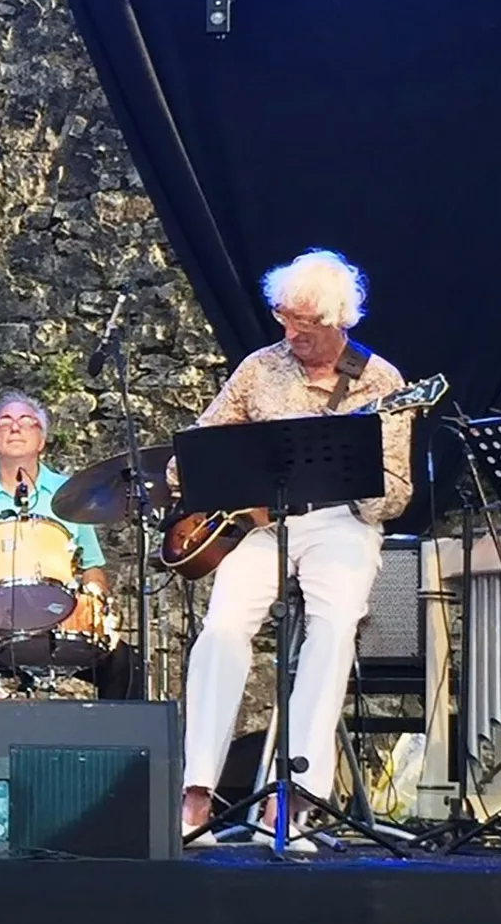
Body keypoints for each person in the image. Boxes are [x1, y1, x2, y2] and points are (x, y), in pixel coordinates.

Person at [170, 250, 413, 848]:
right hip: (262, 522)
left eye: (303, 323)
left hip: (340, 521)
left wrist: (362, 480)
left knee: (332, 629)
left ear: (337, 320)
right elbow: (196, 448)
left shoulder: (382, 382)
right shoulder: (259, 368)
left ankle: (297, 797)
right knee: (222, 627)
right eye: (285, 319)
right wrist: (204, 478)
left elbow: (398, 491)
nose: (291, 333)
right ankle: (196, 792)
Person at [0, 390, 135, 697]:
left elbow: (92, 568)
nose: (15, 427)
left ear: (41, 439)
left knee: (124, 663)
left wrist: (96, 604)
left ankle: (120, 743)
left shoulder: (71, 492)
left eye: (26, 421)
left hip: (59, 617)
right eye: (4, 421)